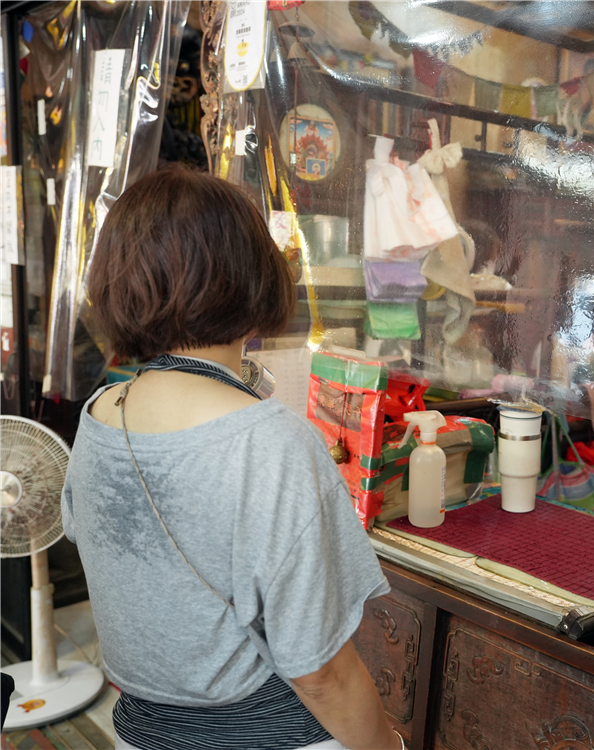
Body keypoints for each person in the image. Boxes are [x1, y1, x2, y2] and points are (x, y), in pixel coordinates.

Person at [63, 168, 404, 750]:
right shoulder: (271, 441)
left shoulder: (100, 414)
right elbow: (322, 673)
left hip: (139, 735)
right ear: (249, 280)